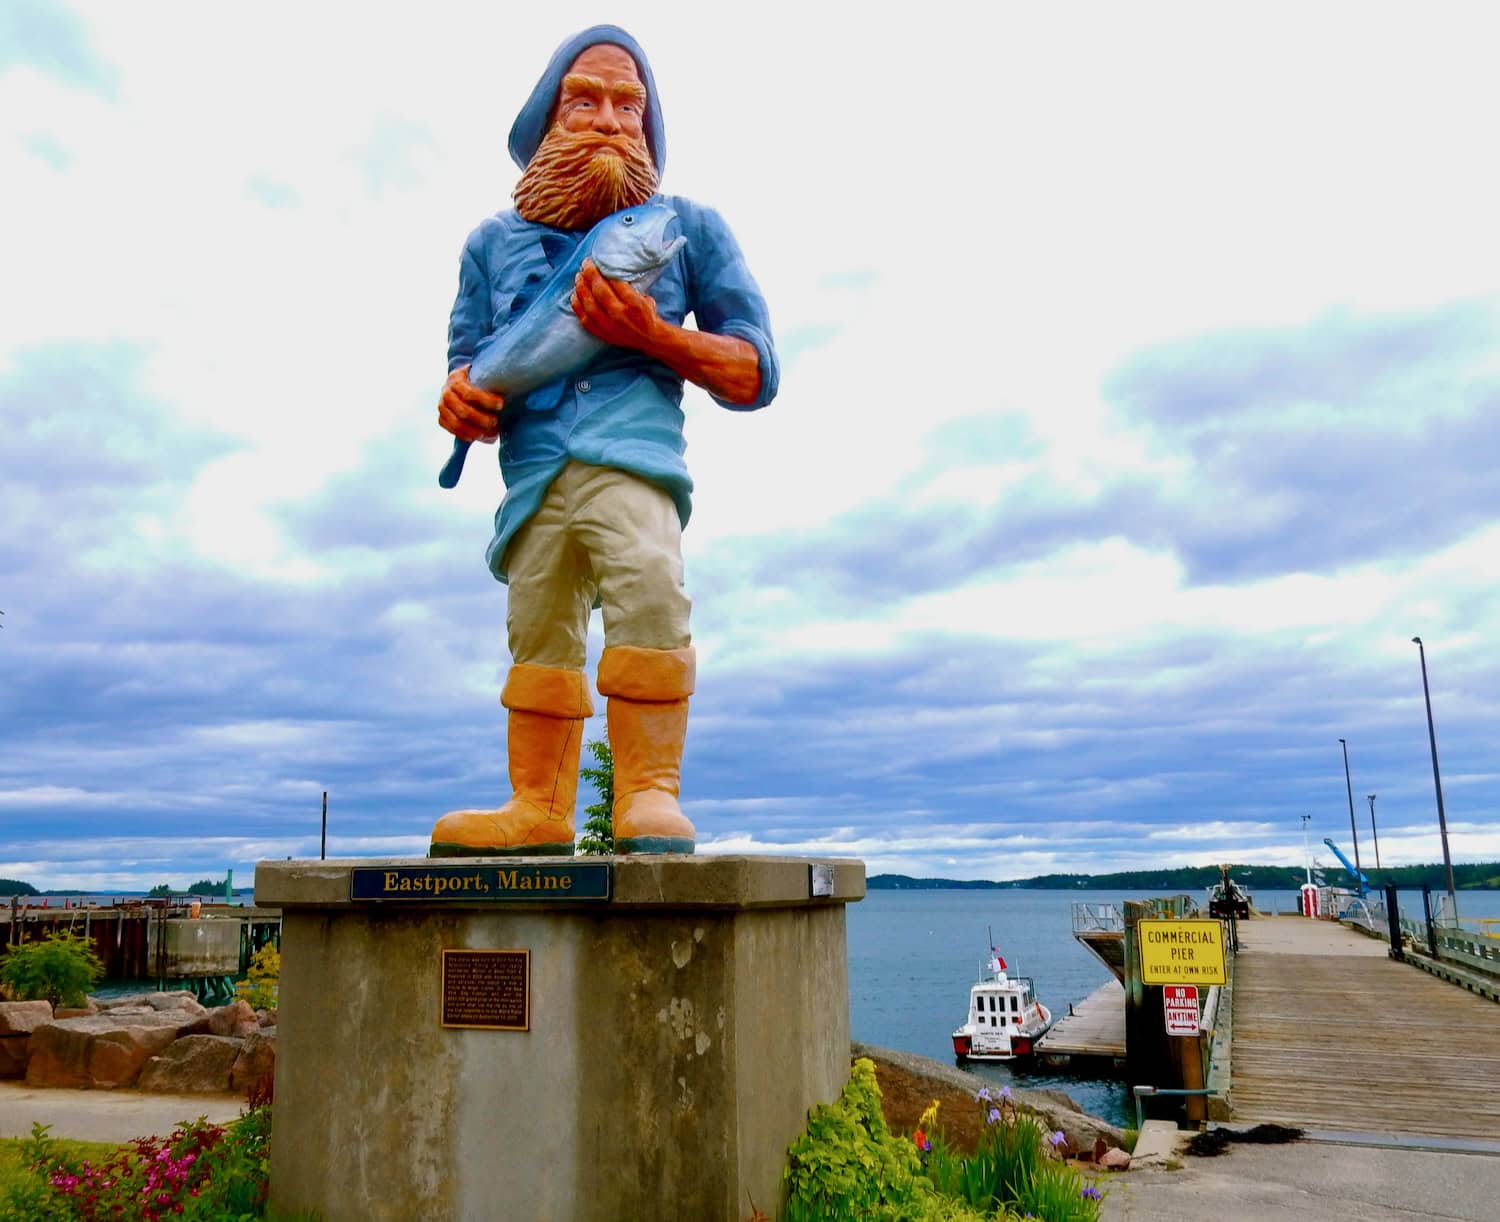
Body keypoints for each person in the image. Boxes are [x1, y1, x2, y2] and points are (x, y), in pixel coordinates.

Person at [429, 25, 778, 858]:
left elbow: (754, 371)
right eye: (584, 99)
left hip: (635, 462)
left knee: (651, 597)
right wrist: (458, 401)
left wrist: (656, 336)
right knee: (538, 625)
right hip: (533, 477)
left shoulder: (688, 228)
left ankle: (647, 795)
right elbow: (464, 365)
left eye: (630, 104)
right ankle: (535, 807)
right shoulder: (489, 242)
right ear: (544, 121)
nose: (611, 120)